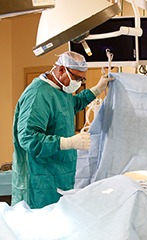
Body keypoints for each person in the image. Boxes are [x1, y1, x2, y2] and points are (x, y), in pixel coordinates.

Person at [12, 51, 114, 209]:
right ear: (61, 70)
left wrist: (96, 89)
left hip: (59, 175)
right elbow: (28, 138)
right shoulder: (38, 95)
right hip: (39, 181)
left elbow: (71, 105)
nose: (79, 83)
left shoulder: (61, 89)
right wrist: (67, 142)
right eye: (77, 78)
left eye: (82, 79)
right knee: (40, 228)